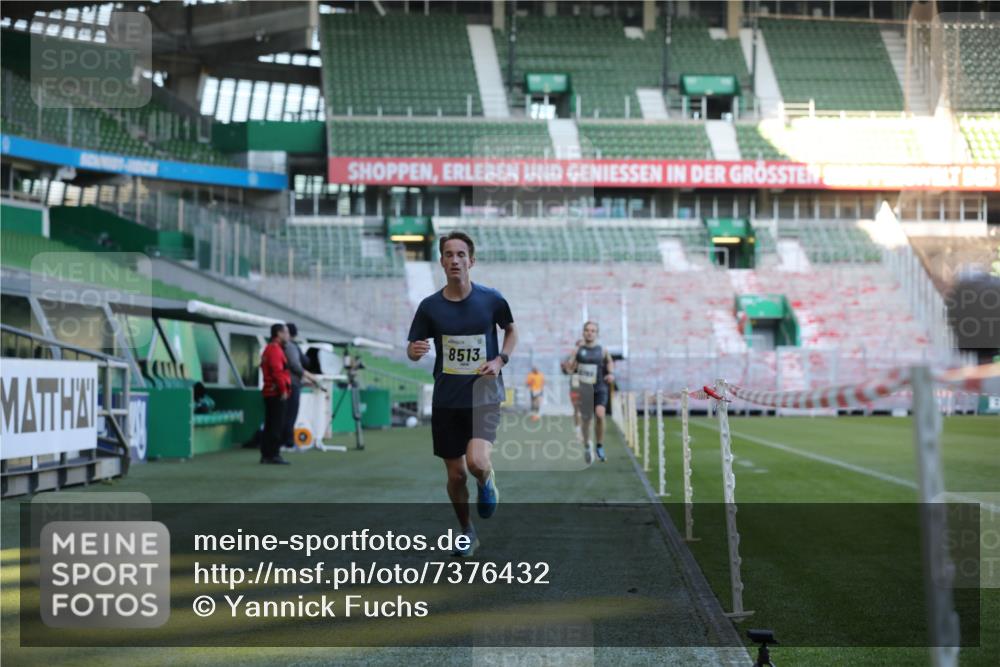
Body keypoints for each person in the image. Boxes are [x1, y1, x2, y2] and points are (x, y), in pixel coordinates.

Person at [407, 231, 517, 558]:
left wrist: (500, 359)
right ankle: (467, 532)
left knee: (477, 462)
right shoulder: (430, 307)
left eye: (460, 254)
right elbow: (413, 348)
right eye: (448, 254)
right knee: (456, 475)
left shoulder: (491, 299)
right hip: (446, 399)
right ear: (441, 261)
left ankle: (486, 480)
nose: (455, 260)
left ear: (472, 260)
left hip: (484, 394)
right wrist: (414, 351)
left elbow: (511, 331)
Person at [565, 321, 614, 464]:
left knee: (600, 414)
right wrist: (570, 363)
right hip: (584, 389)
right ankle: (587, 445)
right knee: (586, 419)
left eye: (593, 330)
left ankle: (599, 446)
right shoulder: (578, 350)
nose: (590, 333)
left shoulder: (602, 350)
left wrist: (610, 373)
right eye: (587, 330)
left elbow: (609, 362)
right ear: (583, 332)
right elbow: (569, 368)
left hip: (600, 387)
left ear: (597, 333)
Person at [282, 322, 324, 449]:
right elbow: (296, 365)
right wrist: (310, 376)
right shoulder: (290, 347)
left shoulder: (286, 346)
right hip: (291, 384)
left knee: (287, 414)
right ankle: (287, 441)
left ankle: (285, 441)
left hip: (288, 383)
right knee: (290, 414)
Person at [260, 323, 292, 465]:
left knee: (271, 424)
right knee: (276, 425)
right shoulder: (275, 350)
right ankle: (273, 454)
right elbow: (277, 372)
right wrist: (283, 390)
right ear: (279, 334)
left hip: (271, 392)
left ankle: (267, 454)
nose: (288, 336)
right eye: (286, 333)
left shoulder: (271, 348)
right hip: (276, 392)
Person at [561, 339, 584, 429]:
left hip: (587, 385)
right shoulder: (570, 357)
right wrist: (565, 368)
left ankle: (583, 427)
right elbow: (566, 371)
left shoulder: (590, 357)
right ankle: (578, 428)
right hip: (575, 384)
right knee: (576, 408)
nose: (580, 348)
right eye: (578, 346)